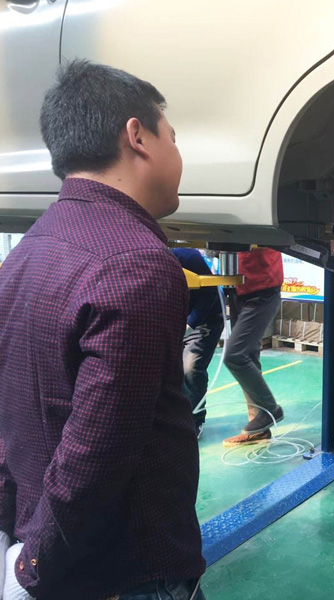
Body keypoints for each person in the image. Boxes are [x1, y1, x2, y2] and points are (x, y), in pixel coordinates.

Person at [0, 61, 205, 599]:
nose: (178, 155)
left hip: (43, 544)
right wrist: (32, 570)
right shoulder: (137, 264)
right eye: (173, 137)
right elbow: (97, 452)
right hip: (127, 572)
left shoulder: (28, 251)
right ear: (137, 136)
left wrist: (21, 540)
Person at [222, 247, 285, 446]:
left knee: (235, 355)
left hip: (262, 288)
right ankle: (258, 428)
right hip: (237, 288)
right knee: (248, 356)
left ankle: (270, 409)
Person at [173, 248, 225, 439]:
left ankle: (195, 419)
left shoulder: (188, 257)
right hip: (173, 320)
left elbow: (209, 293)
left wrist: (190, 324)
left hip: (205, 321)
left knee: (191, 368)